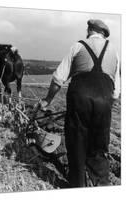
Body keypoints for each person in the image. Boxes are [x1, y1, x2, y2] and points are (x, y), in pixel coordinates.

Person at [39, 19, 120, 187]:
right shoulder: (114, 52)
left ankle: (78, 185)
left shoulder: (78, 46)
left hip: (79, 100)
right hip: (104, 102)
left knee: (77, 143)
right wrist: (103, 107)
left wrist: (47, 100)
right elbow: (116, 93)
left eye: (88, 29)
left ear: (90, 30)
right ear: (104, 34)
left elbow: (58, 79)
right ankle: (101, 185)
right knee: (99, 148)